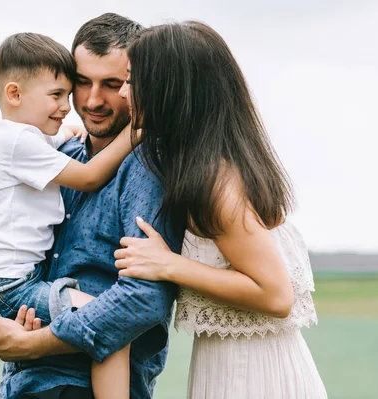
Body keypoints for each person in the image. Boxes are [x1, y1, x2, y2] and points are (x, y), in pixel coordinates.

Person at [113, 21, 328, 398]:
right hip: (232, 365)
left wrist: (170, 264)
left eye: (131, 80)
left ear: (168, 89)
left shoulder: (216, 182)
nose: (124, 93)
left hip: (253, 376)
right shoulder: (203, 164)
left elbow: (275, 295)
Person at [0, 14, 184, 399]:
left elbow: (143, 301)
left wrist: (34, 344)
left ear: (136, 86)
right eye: (82, 83)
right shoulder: (60, 154)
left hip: (85, 387)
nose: (92, 100)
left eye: (111, 84)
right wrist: (6, 326)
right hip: (25, 384)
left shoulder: (148, 169)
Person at [0, 31, 138, 399]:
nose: (66, 106)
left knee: (102, 325)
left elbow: (64, 140)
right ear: (15, 94)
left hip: (8, 282)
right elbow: (90, 177)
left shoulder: (26, 139)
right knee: (109, 324)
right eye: (56, 95)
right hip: (8, 286)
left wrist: (71, 132)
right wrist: (135, 133)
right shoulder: (17, 144)